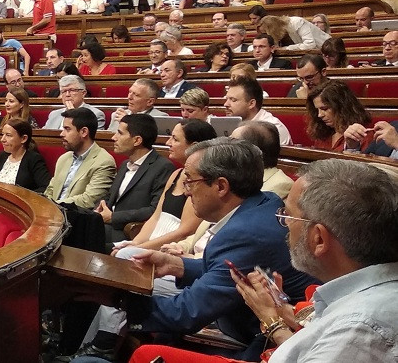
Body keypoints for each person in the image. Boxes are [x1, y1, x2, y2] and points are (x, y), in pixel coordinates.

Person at [74, 139, 317, 361]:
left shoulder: (245, 233)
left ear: (221, 186)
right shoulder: (264, 201)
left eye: (190, 180)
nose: (186, 190)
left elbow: (187, 313)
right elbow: (232, 270)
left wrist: (116, 298)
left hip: (262, 339)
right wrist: (178, 265)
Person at [112, 119, 216, 255]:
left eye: (175, 139)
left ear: (194, 146)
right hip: (152, 242)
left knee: (120, 254)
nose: (168, 143)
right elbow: (155, 217)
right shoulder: (175, 174)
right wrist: (135, 243)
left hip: (171, 250)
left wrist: (140, 249)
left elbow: (185, 231)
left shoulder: (201, 182)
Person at [97, 113, 174, 246]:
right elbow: (110, 196)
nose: (113, 138)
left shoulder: (163, 167)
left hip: (129, 232)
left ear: (137, 140)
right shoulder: (124, 165)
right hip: (106, 226)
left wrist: (113, 217)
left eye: (120, 133)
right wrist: (98, 208)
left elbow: (154, 209)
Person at [44, 107, 116, 208]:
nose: (61, 134)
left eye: (67, 129)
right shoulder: (64, 158)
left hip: (77, 219)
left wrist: (54, 206)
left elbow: (89, 200)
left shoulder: (104, 162)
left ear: (84, 132)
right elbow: (51, 190)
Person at [305, 81, 371, 152]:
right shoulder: (323, 134)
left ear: (341, 107)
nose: (319, 115)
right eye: (317, 110)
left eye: (325, 109)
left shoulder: (363, 134)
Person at [224, 78, 292, 144]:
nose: (226, 104)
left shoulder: (273, 130)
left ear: (251, 104)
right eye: (226, 99)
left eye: (233, 100)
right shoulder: (228, 125)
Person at [0, 119, 50, 193]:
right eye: (2, 134)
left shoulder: (34, 159)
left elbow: (45, 187)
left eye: (8, 135)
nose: (2, 139)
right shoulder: (2, 156)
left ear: (23, 138)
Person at [259, 15, 329, 51]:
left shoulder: (297, 22)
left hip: (325, 48)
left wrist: (286, 48)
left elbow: (310, 44)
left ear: (272, 29)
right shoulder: (279, 32)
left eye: (266, 32)